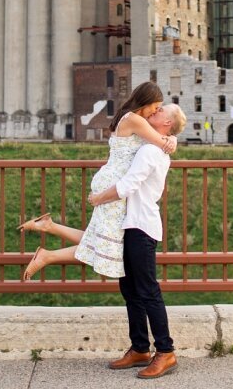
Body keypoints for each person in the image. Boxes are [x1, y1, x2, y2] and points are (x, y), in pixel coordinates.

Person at [19, 82, 177, 280]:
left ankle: (48, 229)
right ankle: (46, 255)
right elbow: (163, 143)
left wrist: (171, 139)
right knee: (105, 243)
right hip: (115, 185)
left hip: (111, 180)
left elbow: (159, 140)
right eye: (155, 107)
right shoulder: (136, 120)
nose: (155, 112)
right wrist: (173, 140)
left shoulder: (128, 117)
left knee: (101, 238)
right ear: (145, 102)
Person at [95, 103, 186, 379]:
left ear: (166, 124)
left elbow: (128, 185)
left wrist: (98, 198)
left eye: (160, 112)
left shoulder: (150, 151)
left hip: (141, 227)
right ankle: (139, 349)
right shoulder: (155, 145)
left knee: (146, 291)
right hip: (133, 225)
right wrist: (173, 140)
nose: (153, 113)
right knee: (131, 288)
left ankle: (166, 352)